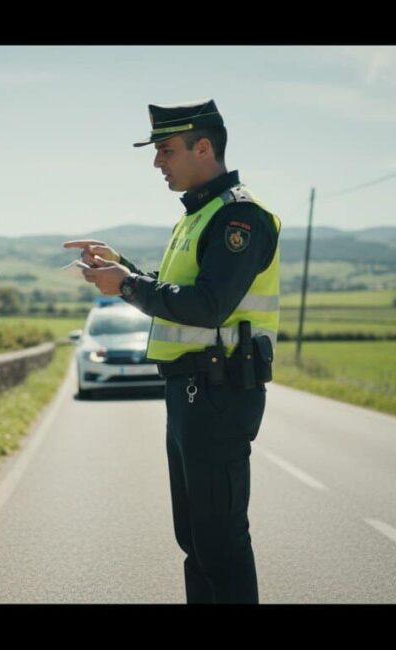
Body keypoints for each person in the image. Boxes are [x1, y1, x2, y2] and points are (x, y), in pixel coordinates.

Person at [65, 99, 280, 603]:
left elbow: (207, 305)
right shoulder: (198, 216)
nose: (157, 162)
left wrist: (125, 287)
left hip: (219, 393)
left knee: (220, 544)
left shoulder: (239, 217)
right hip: (189, 392)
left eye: (165, 149)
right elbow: (175, 292)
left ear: (203, 148)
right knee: (196, 542)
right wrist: (125, 268)